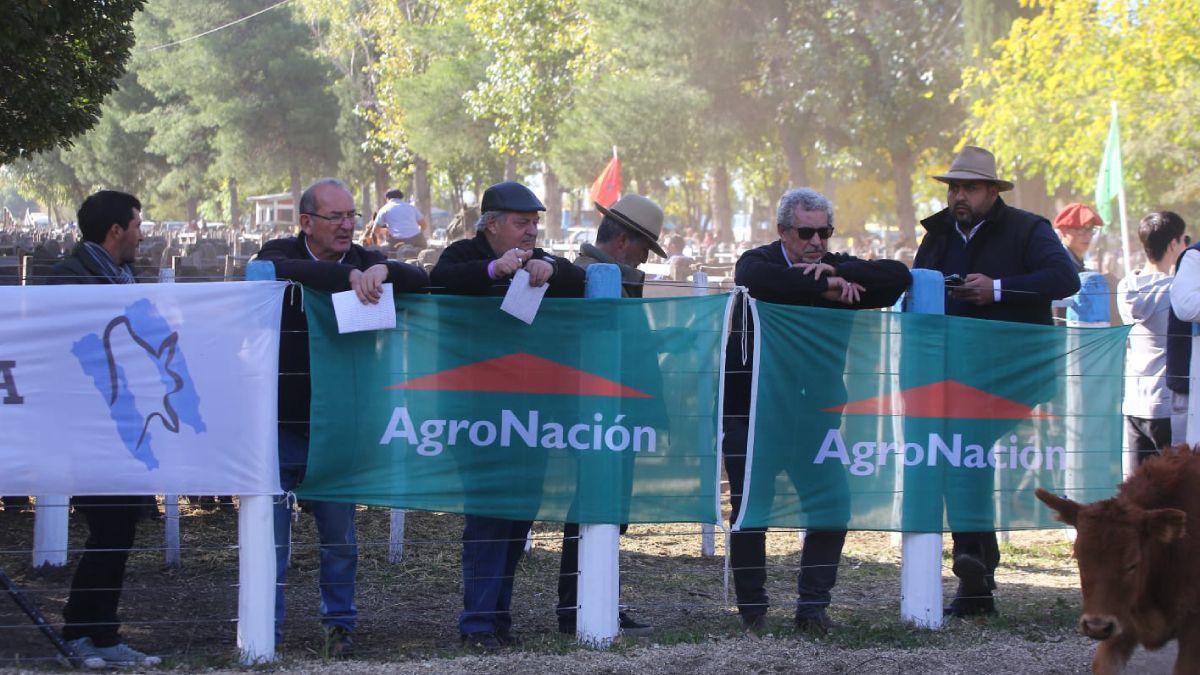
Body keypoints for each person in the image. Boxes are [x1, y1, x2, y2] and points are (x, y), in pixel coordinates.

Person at [254, 178, 429, 657]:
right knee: (270, 540)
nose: (348, 225)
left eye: (352, 215)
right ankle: (264, 629)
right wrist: (346, 279)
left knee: (340, 540)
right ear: (306, 222)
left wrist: (382, 275)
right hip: (277, 425)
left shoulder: (365, 259)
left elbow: (420, 279)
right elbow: (270, 269)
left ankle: (339, 627)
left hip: (338, 429)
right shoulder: (280, 250)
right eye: (336, 217)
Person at [723, 188, 910, 634]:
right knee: (751, 509)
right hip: (753, 413)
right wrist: (822, 284)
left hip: (815, 414)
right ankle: (752, 611)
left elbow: (896, 276)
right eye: (806, 232)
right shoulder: (760, 260)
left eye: (824, 232)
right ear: (783, 231)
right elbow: (757, 279)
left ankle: (812, 607)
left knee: (831, 507)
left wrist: (837, 270)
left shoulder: (839, 266)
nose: (816, 241)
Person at [913, 146, 1080, 617]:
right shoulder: (938, 234)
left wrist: (997, 290)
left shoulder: (1029, 228)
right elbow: (918, 284)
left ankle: (974, 564)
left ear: (992, 191)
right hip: (949, 371)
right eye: (953, 188)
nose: (958, 196)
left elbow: (1065, 279)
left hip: (1014, 371)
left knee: (964, 446)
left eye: (968, 188)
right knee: (957, 453)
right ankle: (976, 573)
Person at [430, 181, 585, 651]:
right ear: (492, 223)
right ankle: (477, 622)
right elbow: (439, 279)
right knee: (488, 514)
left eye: (536, 222)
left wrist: (550, 266)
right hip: (472, 412)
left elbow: (579, 279)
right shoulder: (460, 254)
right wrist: (494, 270)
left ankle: (497, 617)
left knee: (519, 515)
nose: (531, 231)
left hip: (529, 412)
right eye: (522, 223)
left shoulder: (541, 255)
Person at [47, 190, 160, 668]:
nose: (141, 233)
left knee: (119, 531)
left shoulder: (125, 275)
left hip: (124, 422)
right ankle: (80, 633)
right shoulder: (68, 280)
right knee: (107, 527)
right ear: (116, 231)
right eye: (137, 224)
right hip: (86, 424)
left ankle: (103, 635)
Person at [555, 194, 666, 637]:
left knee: (606, 509)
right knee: (595, 507)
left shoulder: (608, 276)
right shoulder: (587, 277)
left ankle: (591, 600)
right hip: (599, 414)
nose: (644, 257)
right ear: (625, 241)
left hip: (615, 414)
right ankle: (582, 605)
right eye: (644, 248)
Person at [1117, 212, 1187, 464]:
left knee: (1137, 495)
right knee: (1176, 490)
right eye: (1183, 240)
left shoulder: (1126, 287)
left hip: (1135, 404)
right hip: (1169, 406)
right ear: (1173, 244)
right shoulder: (1177, 291)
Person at [372, 188, 428, 252]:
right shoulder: (411, 207)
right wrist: (416, 233)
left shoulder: (384, 209)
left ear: (387, 198)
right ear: (400, 197)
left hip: (397, 241)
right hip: (416, 239)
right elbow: (424, 225)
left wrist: (380, 241)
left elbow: (375, 230)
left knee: (384, 250)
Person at [1052, 203, 1103, 272]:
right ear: (1063, 230)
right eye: (1082, 230)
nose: (1088, 235)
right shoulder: (1057, 264)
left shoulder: (1075, 262)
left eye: (1091, 229)